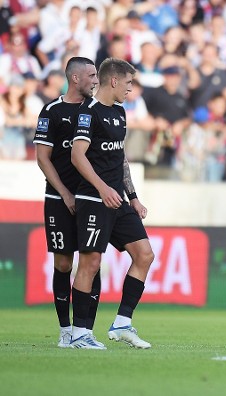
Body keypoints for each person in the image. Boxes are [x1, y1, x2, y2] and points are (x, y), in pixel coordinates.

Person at [70, 58, 155, 349]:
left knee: (144, 255)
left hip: (118, 199)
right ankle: (79, 333)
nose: (131, 89)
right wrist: (103, 187)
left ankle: (122, 323)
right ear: (114, 81)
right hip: (94, 198)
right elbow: (77, 156)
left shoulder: (120, 113)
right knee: (90, 263)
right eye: (129, 83)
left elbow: (121, 159)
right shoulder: (88, 112)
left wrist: (133, 197)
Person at [33, 57, 100, 348]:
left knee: (91, 261)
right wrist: (65, 193)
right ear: (75, 78)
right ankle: (65, 330)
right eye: (91, 75)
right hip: (59, 198)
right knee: (63, 262)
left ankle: (85, 330)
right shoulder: (51, 111)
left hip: (91, 198)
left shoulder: (98, 110)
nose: (96, 81)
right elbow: (42, 158)